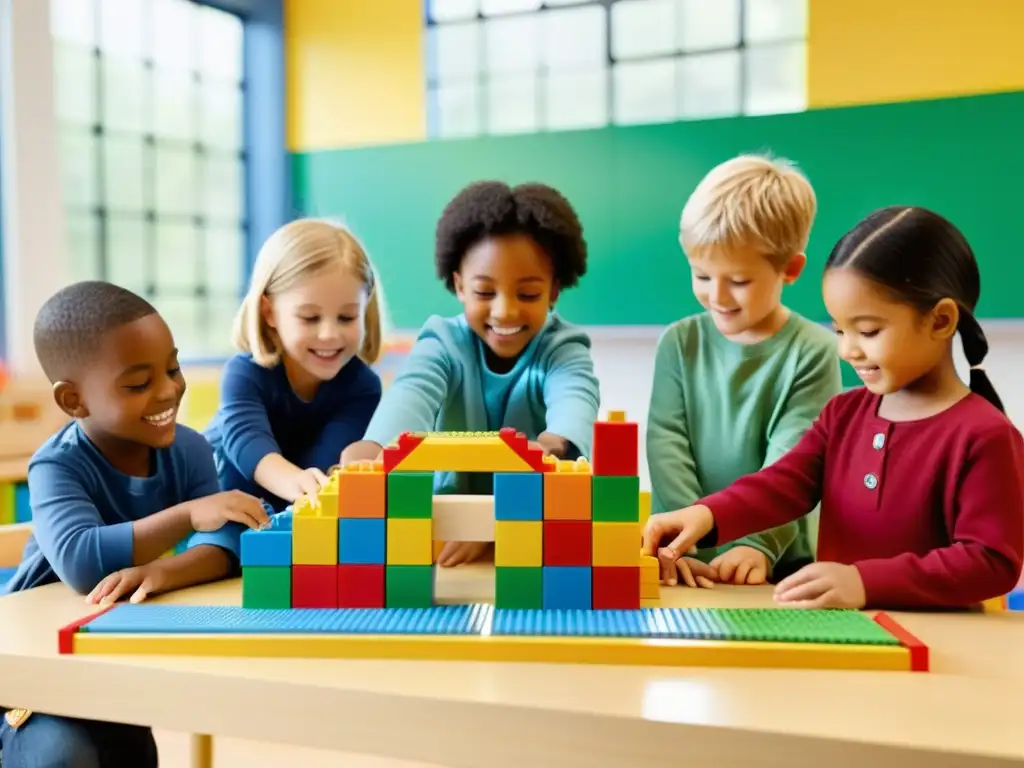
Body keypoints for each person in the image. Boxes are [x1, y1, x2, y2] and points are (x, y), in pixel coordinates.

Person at [642, 206, 1024, 610]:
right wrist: (706, 515)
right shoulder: (843, 413)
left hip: (938, 649)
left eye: (869, 331)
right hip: (842, 636)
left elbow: (990, 562)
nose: (847, 350)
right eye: (840, 330)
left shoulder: (986, 435)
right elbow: (782, 484)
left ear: (941, 320)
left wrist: (864, 582)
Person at [0, 281, 268, 768]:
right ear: (74, 400)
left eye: (173, 368)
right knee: (64, 757)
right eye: (138, 383)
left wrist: (164, 572)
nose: (168, 390)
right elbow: (82, 562)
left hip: (116, 659)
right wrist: (186, 516)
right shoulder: (56, 466)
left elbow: (229, 536)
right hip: (37, 669)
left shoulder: (186, 449)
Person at [341, 180, 600, 567]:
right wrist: (376, 445)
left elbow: (575, 392)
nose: (505, 312)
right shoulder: (442, 342)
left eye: (528, 295)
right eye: (484, 293)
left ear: (554, 291)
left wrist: (557, 440)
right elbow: (413, 390)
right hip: (449, 518)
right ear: (460, 285)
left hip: (531, 523)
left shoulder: (561, 347)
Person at [647, 155, 842, 589]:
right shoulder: (679, 343)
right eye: (701, 274)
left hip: (776, 558)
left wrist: (758, 543)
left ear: (789, 269)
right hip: (678, 554)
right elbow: (667, 445)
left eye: (737, 281)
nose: (716, 295)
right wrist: (682, 540)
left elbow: (794, 461)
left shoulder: (814, 351)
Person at [204, 219, 384, 511]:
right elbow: (249, 445)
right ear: (269, 312)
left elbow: (326, 462)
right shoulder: (244, 374)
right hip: (219, 501)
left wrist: (309, 488)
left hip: (288, 511)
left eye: (347, 318)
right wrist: (296, 483)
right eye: (310, 318)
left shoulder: (362, 388)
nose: (329, 334)